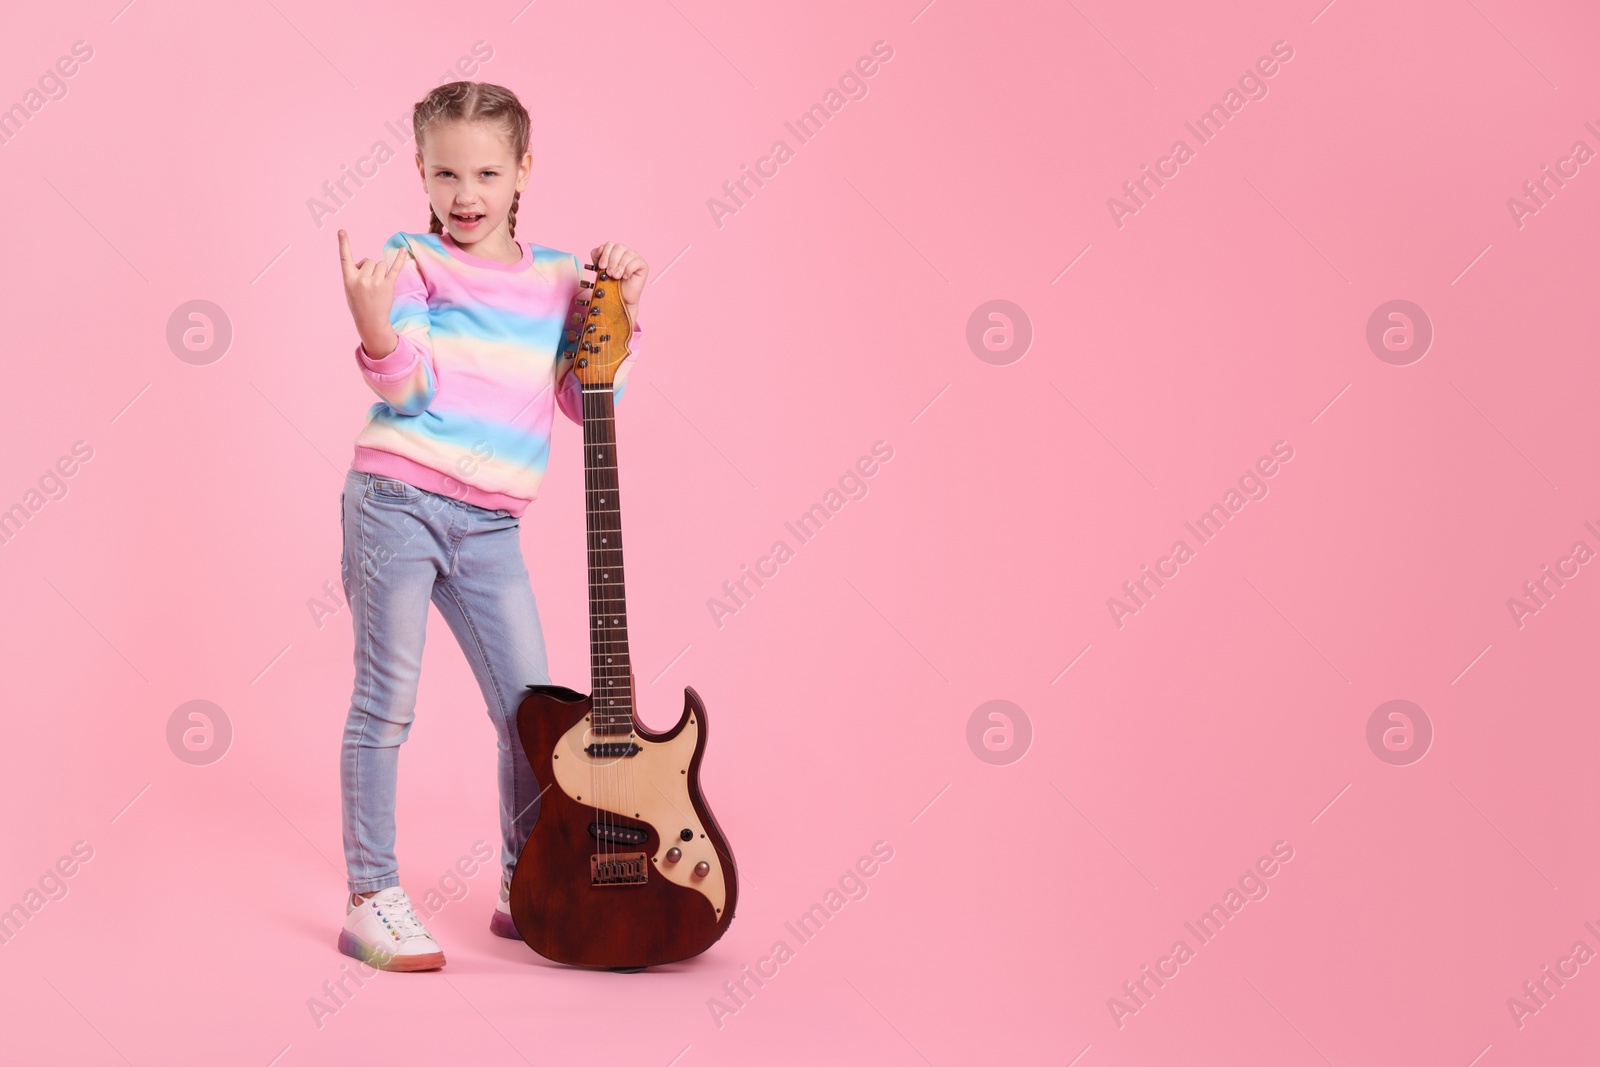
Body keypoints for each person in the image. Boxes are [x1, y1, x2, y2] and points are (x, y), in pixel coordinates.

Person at [333, 80, 647, 972]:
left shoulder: (556, 278)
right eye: (445, 173)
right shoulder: (410, 261)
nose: (465, 194)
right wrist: (373, 327)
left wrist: (620, 303)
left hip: (490, 527)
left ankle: (525, 881)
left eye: (485, 171)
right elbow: (411, 393)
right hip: (396, 502)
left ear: (522, 172)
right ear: (421, 174)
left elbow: (592, 401)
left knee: (531, 716)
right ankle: (370, 896)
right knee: (386, 702)